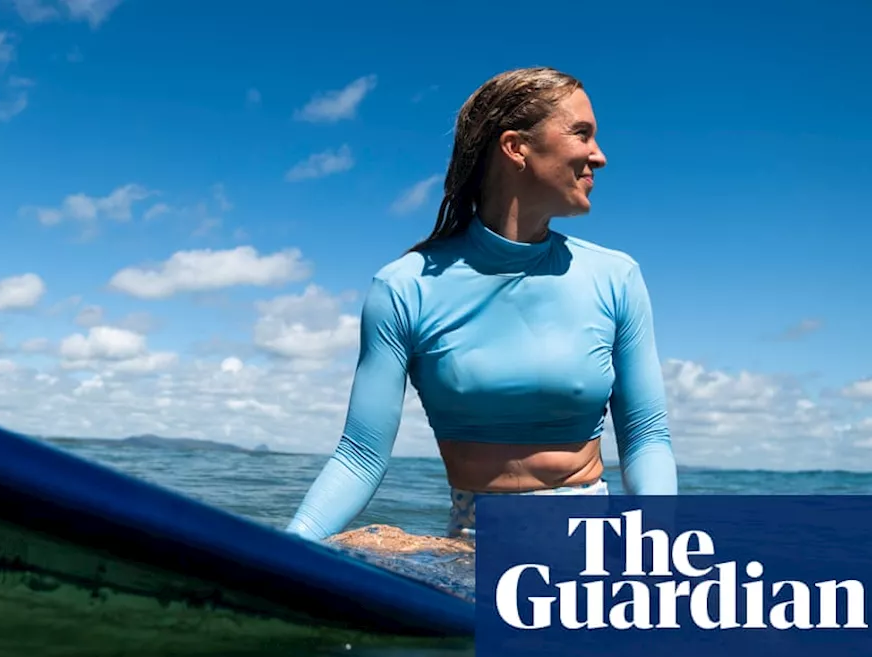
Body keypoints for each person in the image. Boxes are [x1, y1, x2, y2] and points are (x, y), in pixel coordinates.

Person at [285, 66, 677, 543]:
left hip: (589, 544)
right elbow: (360, 455)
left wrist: (658, 547)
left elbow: (647, 438)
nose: (600, 156)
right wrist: (290, 546)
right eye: (582, 134)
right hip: (469, 547)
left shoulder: (615, 277)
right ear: (516, 147)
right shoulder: (405, 288)